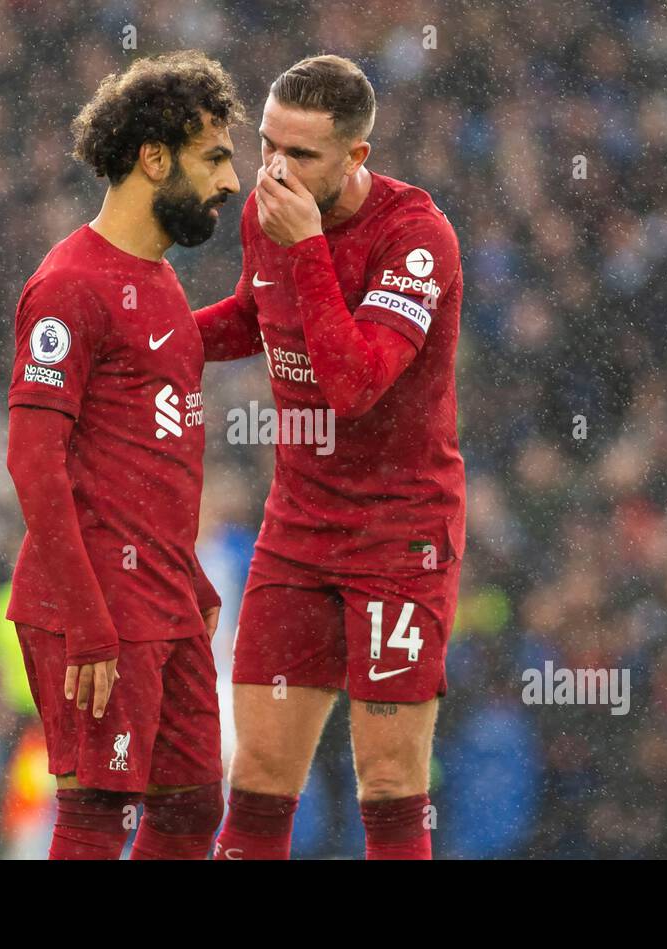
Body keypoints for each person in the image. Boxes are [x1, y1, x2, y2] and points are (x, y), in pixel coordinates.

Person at [195, 55, 466, 859]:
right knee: (256, 777)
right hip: (298, 529)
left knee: (389, 786)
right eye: (268, 144)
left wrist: (309, 248)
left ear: (357, 157)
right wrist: (148, 332)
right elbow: (256, 313)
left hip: (398, 537)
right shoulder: (271, 213)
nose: (273, 168)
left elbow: (355, 386)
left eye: (300, 154)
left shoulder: (416, 240)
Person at [4, 50, 243, 859]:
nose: (230, 181)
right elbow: (33, 462)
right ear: (154, 157)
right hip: (96, 603)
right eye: (215, 157)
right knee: (98, 815)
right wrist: (88, 624)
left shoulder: (165, 285)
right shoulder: (68, 284)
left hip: (164, 598)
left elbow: (150, 456)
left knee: (191, 807)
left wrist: (192, 575)